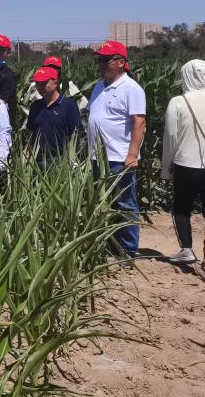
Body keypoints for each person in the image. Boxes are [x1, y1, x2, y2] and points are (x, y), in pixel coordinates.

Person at [88, 40, 146, 258]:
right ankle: (109, 244)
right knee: (102, 202)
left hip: (118, 157)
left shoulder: (131, 88)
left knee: (125, 203)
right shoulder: (99, 85)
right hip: (97, 156)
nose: (101, 63)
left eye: (106, 60)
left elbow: (139, 122)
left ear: (121, 62)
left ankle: (129, 250)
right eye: (99, 59)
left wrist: (132, 154)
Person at [162, 59, 205, 264]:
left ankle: (187, 250)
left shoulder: (177, 102)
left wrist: (165, 168)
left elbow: (170, 136)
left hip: (186, 165)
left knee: (181, 208)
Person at [26, 66, 83, 167]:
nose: (40, 87)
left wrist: (74, 158)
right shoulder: (35, 106)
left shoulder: (68, 105)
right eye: (37, 83)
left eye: (44, 83)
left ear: (55, 83)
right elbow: (31, 132)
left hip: (61, 162)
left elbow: (75, 134)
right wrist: (27, 153)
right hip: (37, 162)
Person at [24, 56, 89, 112]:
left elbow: (83, 101)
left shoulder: (68, 84)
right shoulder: (35, 85)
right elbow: (26, 102)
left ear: (60, 70)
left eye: (55, 67)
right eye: (48, 67)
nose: (51, 69)